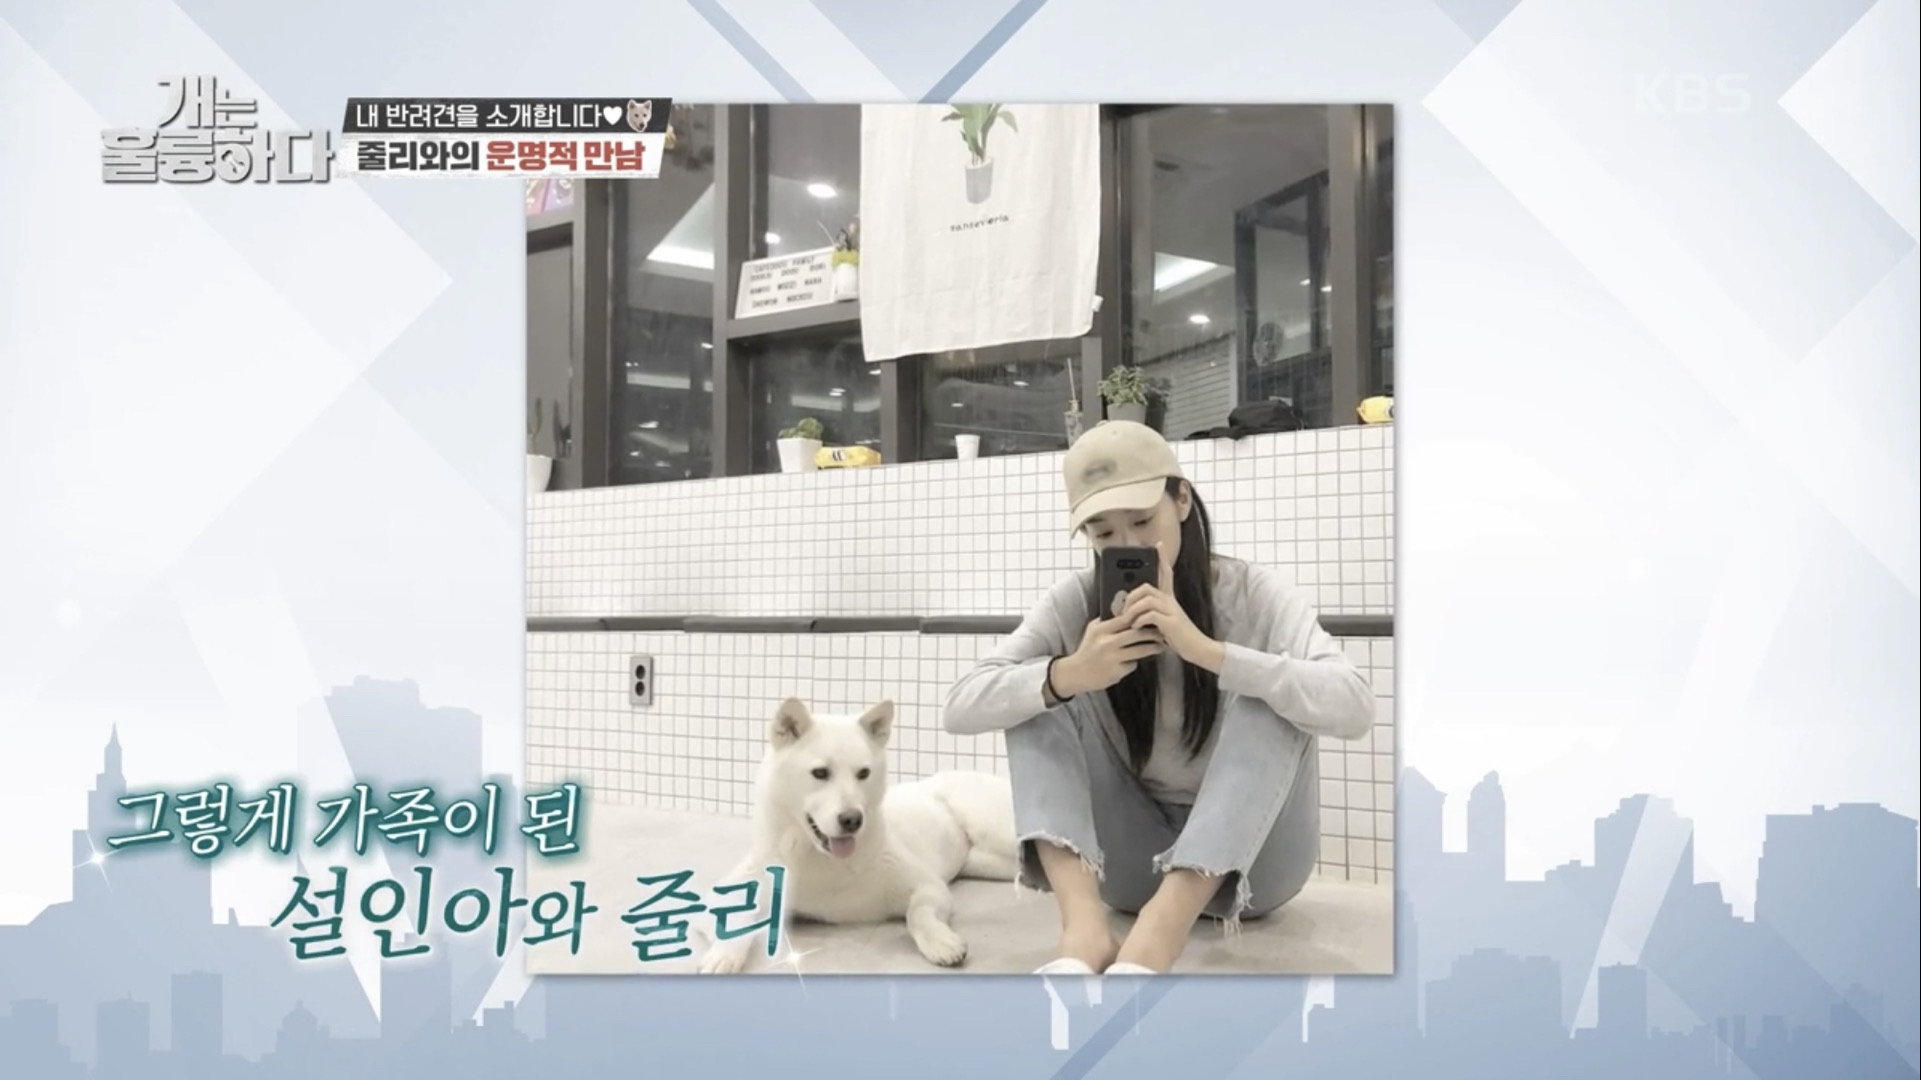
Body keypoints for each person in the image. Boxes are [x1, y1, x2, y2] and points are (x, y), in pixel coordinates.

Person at [943, 421, 1377, 975]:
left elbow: (1356, 707)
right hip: (1128, 869)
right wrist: (1071, 673)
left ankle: (1158, 936)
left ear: (1182, 500)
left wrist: (1210, 654)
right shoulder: (1076, 601)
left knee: (1267, 687)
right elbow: (960, 706)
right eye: (1103, 533)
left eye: (1143, 521)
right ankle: (1083, 932)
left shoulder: (1252, 593)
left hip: (1255, 868)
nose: (1127, 545)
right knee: (1037, 689)